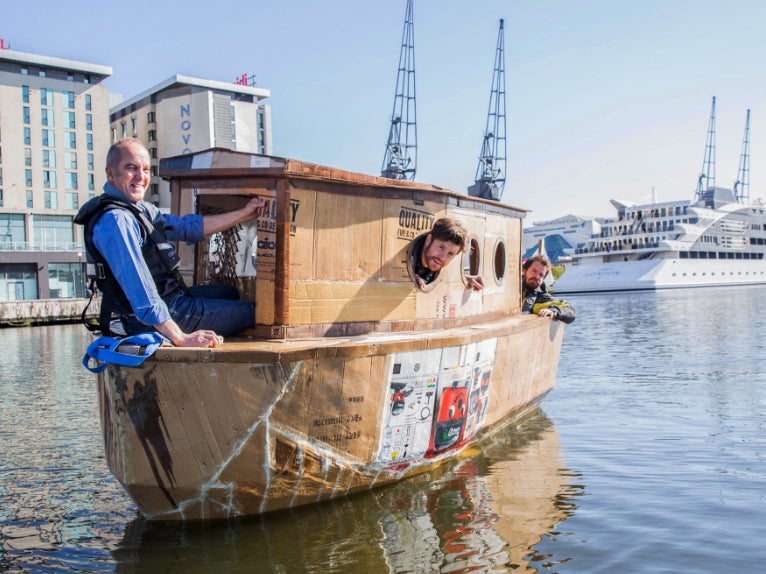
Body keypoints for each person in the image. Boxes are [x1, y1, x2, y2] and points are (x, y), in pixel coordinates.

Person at [75, 139, 266, 348]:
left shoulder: (140, 210)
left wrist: (244, 213)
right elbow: (141, 290)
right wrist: (181, 337)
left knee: (230, 293)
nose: (141, 177)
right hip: (146, 320)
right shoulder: (117, 220)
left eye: (146, 170)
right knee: (254, 312)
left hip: (171, 299)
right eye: (131, 168)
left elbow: (187, 228)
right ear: (111, 174)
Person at [410, 217, 484, 291]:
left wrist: (466, 278)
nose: (442, 257)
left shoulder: (434, 267)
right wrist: (412, 279)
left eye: (450, 254)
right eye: (441, 247)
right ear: (429, 239)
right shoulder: (412, 255)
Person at [521, 254, 575, 323]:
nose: (537, 276)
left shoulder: (541, 299)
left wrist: (553, 310)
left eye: (541, 275)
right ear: (524, 271)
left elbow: (570, 310)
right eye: (534, 271)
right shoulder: (508, 289)